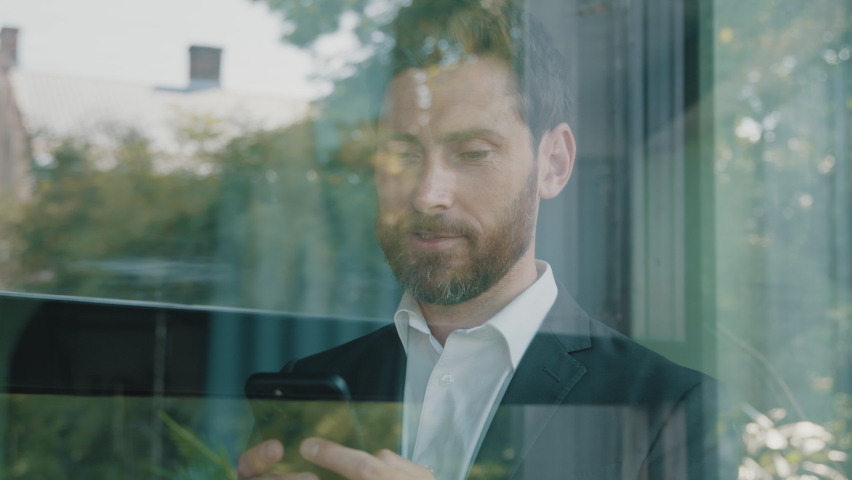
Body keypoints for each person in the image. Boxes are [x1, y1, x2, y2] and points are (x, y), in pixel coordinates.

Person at [238, 1, 733, 479]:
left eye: (473, 153)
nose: (428, 194)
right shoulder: (310, 385)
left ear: (554, 163)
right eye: (402, 154)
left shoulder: (674, 410)